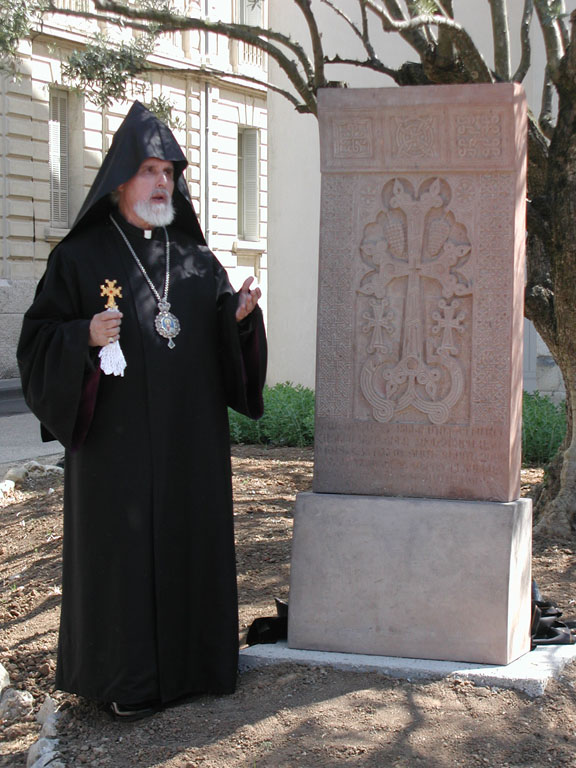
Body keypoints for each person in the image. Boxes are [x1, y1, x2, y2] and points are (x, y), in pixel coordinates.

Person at [17, 101, 267, 720]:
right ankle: (127, 680)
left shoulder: (194, 259)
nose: (162, 183)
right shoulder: (78, 259)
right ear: (122, 178)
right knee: (123, 557)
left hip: (189, 441)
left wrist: (238, 321)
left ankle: (195, 668)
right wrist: (82, 336)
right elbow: (36, 342)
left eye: (170, 172)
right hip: (116, 451)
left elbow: (220, 343)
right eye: (151, 170)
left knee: (188, 541)